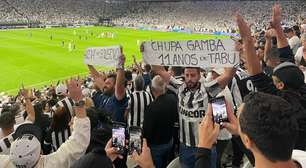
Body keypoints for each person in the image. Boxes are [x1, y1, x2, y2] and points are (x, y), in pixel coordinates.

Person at [239, 5, 306, 150]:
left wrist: (247, 39)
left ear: (281, 85)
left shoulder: (281, 103)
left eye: (274, 80)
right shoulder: (300, 89)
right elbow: (287, 56)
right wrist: (278, 28)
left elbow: (256, 74)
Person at [148, 59, 235, 167]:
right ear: (183, 75)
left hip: (205, 146)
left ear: (199, 76)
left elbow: (228, 75)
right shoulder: (179, 87)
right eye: (187, 75)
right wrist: (149, 54)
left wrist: (232, 54)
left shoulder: (208, 90)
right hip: (186, 147)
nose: (189, 79)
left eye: (193, 75)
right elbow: (159, 70)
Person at [195, 92, 306, 168]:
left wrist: (203, 148)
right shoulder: (300, 156)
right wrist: (241, 134)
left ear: (248, 141)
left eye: (237, 116)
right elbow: (264, 156)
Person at [0, 79, 91, 168]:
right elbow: (80, 141)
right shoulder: (51, 164)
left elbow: (30, 117)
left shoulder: (5, 162)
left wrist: (27, 98)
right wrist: (78, 100)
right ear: (40, 153)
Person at [143, 75, 178, 168]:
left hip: (157, 146)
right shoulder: (173, 99)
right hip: (169, 140)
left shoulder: (151, 108)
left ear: (152, 90)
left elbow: (147, 132)